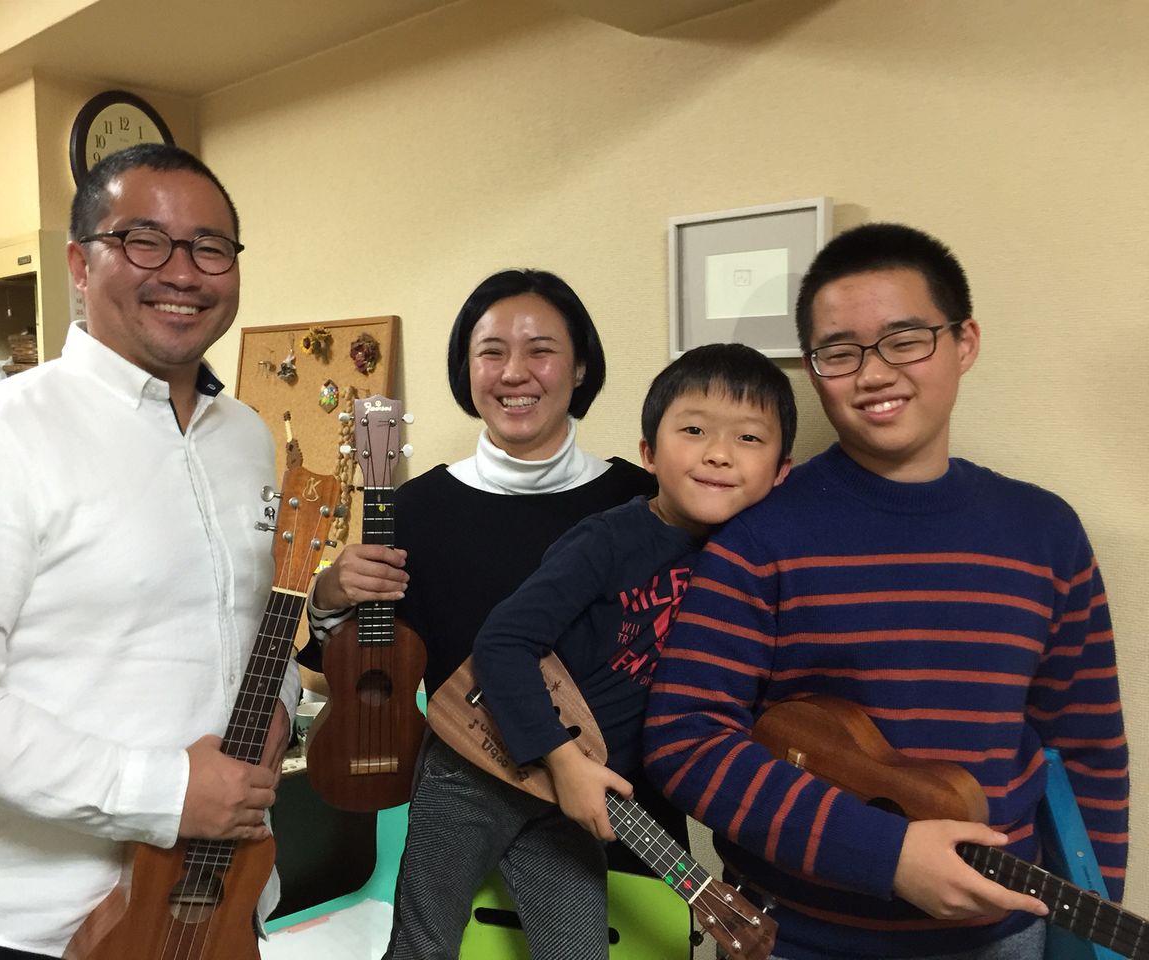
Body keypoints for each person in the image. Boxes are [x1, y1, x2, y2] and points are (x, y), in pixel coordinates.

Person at [644, 223, 1129, 960]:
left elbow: (1089, 751)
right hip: (796, 938)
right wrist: (884, 854)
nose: (873, 374)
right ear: (814, 372)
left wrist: (1090, 927)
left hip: (1006, 939)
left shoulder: (1045, 533)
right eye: (840, 352)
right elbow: (686, 738)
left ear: (964, 342)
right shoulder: (758, 535)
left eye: (906, 340)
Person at [0, 144, 297, 960]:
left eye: (210, 247)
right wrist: (163, 792)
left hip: (224, 901)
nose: (183, 271)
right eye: (145, 240)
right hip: (44, 928)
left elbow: (238, 618)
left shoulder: (245, 438)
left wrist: (274, 702)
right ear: (79, 263)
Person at [301, 268, 671, 959]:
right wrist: (328, 597)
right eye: (491, 352)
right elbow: (336, 680)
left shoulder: (639, 499)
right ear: (465, 369)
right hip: (463, 786)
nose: (514, 372)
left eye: (541, 350)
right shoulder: (416, 510)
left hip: (612, 807)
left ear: (580, 366)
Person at [458, 342, 795, 957]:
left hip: (581, 800)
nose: (719, 453)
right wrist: (564, 759)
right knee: (426, 938)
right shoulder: (609, 540)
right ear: (649, 453)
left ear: (781, 472)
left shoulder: (751, 571)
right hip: (476, 764)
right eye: (694, 430)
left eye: (748, 438)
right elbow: (503, 641)